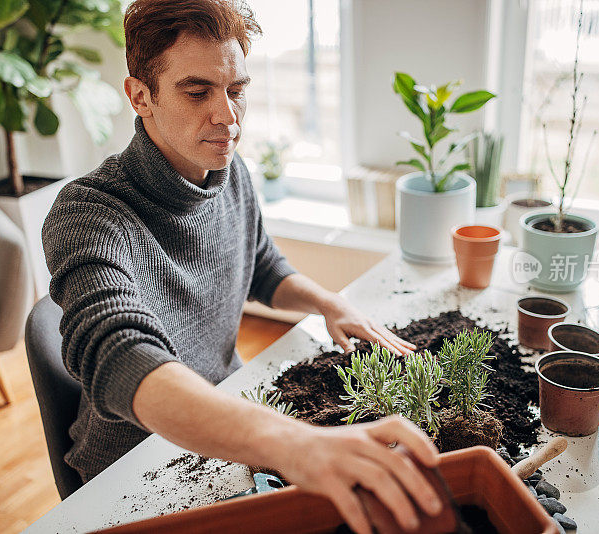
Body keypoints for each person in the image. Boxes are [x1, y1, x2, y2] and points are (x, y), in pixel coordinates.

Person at [42, 0, 443, 532]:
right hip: (137, 467)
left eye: (236, 91)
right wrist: (292, 443)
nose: (227, 117)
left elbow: (261, 266)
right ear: (141, 96)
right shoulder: (88, 213)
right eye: (197, 91)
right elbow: (119, 356)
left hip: (230, 413)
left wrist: (330, 303)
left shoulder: (229, 173)